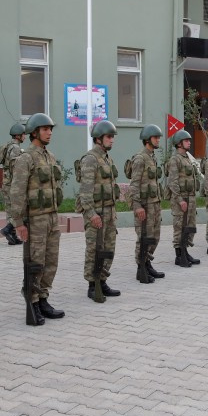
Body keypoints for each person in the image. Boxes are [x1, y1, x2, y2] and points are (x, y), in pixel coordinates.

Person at [9, 113, 65, 325]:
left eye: (50, 129)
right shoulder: (26, 158)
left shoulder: (49, 156)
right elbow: (17, 191)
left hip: (51, 216)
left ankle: (43, 298)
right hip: (35, 220)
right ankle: (32, 302)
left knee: (51, 262)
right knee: (35, 262)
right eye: (45, 129)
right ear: (34, 132)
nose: (49, 132)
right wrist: (19, 222)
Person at [77, 120, 121, 301]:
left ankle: (102, 280)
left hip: (109, 212)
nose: (112, 140)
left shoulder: (106, 158)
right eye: (109, 137)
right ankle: (92, 284)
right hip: (97, 213)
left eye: (112, 137)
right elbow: (85, 192)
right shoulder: (90, 159)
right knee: (94, 249)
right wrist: (91, 214)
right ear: (99, 139)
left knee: (109, 248)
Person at [129, 125, 166, 282]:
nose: (158, 140)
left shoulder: (152, 157)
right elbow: (134, 184)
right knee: (144, 237)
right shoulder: (140, 158)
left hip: (154, 204)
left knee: (154, 236)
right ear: (147, 139)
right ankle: (141, 267)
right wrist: (137, 206)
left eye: (158, 137)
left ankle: (147, 262)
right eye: (156, 137)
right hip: (144, 205)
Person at [166, 129, 200, 267]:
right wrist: (180, 200)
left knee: (189, 227)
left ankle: (185, 252)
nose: (189, 143)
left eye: (189, 140)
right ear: (179, 143)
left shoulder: (186, 158)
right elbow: (172, 182)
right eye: (186, 140)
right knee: (180, 226)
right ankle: (179, 256)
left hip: (190, 198)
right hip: (181, 199)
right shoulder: (175, 160)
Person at [0, 123, 26, 245]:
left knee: (10, 210)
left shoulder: (7, 146)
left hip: (6, 182)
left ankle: (12, 237)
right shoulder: (15, 148)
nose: (25, 136)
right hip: (12, 183)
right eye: (24, 134)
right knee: (18, 209)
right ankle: (8, 229)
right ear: (18, 135)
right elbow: (15, 166)